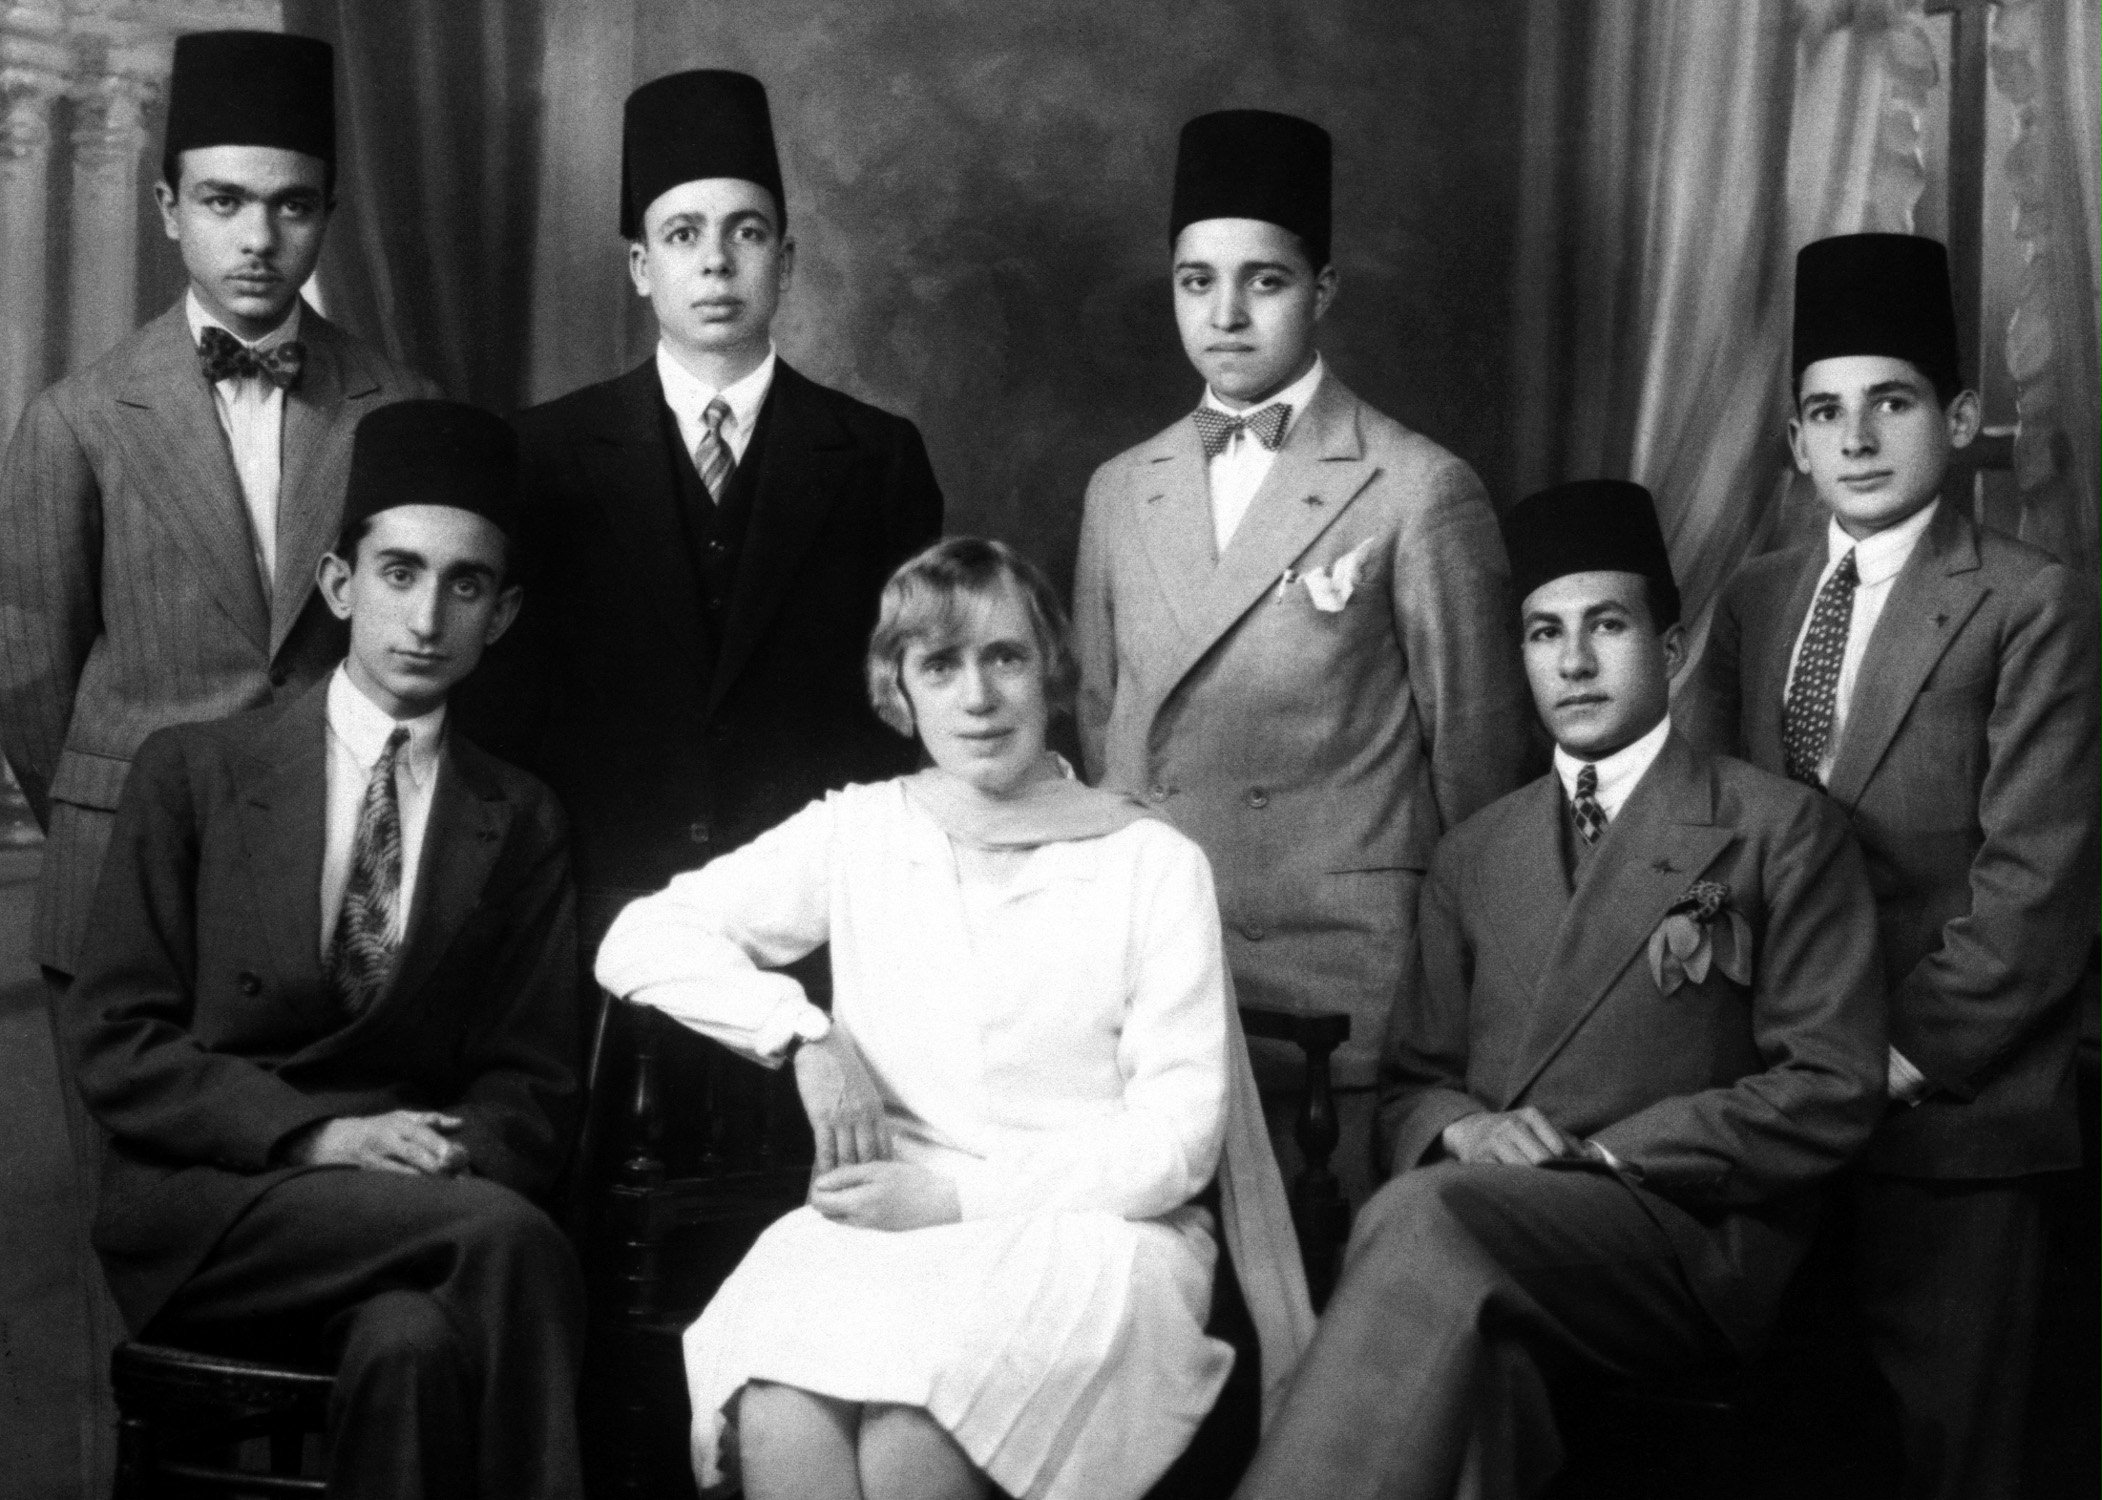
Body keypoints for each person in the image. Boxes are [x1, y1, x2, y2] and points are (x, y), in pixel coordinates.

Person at [597, 537, 1311, 1500]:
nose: (977, 698)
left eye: (1004, 658)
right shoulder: (860, 832)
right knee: (780, 1414)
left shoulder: (1149, 862)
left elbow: (1178, 1145)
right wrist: (803, 1034)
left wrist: (961, 1203)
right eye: (940, 665)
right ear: (900, 688)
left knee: (911, 1442)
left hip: (1093, 1232)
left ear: (1050, 670)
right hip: (890, 1217)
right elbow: (640, 937)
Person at [1233, 480, 1889, 1500]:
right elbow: (1410, 1086)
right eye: (1543, 633)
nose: (1572, 662)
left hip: (1679, 1238)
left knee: (1419, 1220)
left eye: (1605, 626)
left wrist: (1604, 1152)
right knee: (1470, 1345)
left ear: (1668, 650)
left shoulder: (1773, 830)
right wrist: (1465, 1131)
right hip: (1486, 1228)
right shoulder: (1472, 851)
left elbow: (1829, 1084)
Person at [70, 401, 586, 1500]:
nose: (426, 616)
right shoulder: (194, 773)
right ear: (338, 584)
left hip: (417, 1214)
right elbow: (119, 1044)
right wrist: (323, 1138)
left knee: (411, 1347)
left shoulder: (520, 815)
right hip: (218, 1204)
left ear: (503, 613)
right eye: (398, 572)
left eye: (465, 584)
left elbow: (534, 1077)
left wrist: (449, 1153)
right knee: (515, 1247)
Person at [1680, 232, 2102, 1500]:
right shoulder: (1754, 601)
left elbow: (2036, 889)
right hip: (1781, 1112)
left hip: (1952, 1122)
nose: (1855, 438)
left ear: (1959, 417)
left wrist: (1886, 1062)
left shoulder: (2029, 603)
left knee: (1950, 1459)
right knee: (1787, 1449)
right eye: (1824, 411)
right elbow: (1704, 832)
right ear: (1793, 440)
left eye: (1891, 403)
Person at [1072, 108, 1531, 1111]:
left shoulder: (1416, 486)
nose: (1225, 314)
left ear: (1321, 290)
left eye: (1263, 281)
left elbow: (1479, 775)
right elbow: (1107, 729)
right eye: (1197, 282)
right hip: (1164, 977)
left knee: (1333, 1259)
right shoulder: (1117, 490)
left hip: (1343, 985)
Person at [0, 29, 439, 1000]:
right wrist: (119, 809)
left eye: (290, 205)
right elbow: (33, 689)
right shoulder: (74, 420)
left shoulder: (404, 408)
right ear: (168, 209)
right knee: (132, 1155)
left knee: (320, 1149)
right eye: (223, 200)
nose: (256, 238)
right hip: (126, 890)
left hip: (335, 893)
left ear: (329, 212)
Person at [471, 68, 943, 944]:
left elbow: (906, 720)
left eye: (747, 232)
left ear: (787, 261)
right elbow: (510, 721)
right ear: (642, 268)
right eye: (684, 235)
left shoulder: (878, 459)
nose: (717, 261)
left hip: (814, 918)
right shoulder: (543, 454)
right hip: (603, 914)